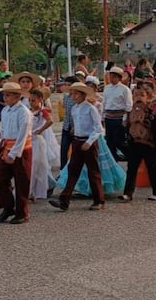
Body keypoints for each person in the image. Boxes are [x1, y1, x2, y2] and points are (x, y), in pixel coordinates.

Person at [49, 82, 105, 212]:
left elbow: (98, 128)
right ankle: (64, 199)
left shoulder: (90, 108)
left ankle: (99, 200)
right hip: (77, 141)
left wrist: (89, 141)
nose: (73, 96)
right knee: (73, 170)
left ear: (83, 95)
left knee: (93, 171)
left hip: (88, 142)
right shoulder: (75, 108)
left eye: (76, 94)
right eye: (72, 93)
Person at [0, 81, 33, 224]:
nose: (5, 98)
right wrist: (0, 144)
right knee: (0, 177)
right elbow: (3, 130)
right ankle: (8, 206)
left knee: (22, 181)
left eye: (8, 95)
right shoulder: (5, 111)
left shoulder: (24, 112)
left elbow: (23, 135)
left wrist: (13, 153)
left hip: (20, 150)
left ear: (17, 96)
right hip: (7, 147)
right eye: (4, 95)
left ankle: (22, 212)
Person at [119, 82, 156, 202]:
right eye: (136, 95)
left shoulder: (151, 110)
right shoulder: (130, 111)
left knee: (152, 168)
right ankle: (128, 193)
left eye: (142, 95)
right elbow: (127, 125)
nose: (139, 98)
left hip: (149, 143)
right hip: (134, 142)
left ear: (147, 96)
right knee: (132, 168)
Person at [29, 88, 57, 201]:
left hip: (38, 141)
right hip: (30, 139)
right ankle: (31, 191)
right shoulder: (29, 111)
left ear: (40, 99)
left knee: (37, 165)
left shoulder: (42, 111)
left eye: (33, 100)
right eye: (30, 100)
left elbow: (50, 120)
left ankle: (36, 190)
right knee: (31, 165)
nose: (31, 103)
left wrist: (40, 130)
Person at [103, 66, 133, 161]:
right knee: (109, 141)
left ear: (119, 78)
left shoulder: (124, 89)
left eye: (114, 77)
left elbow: (128, 105)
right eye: (110, 76)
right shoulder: (107, 88)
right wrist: (103, 117)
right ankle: (113, 159)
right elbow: (105, 103)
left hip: (119, 118)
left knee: (119, 141)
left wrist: (125, 119)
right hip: (109, 117)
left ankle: (130, 155)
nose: (111, 79)